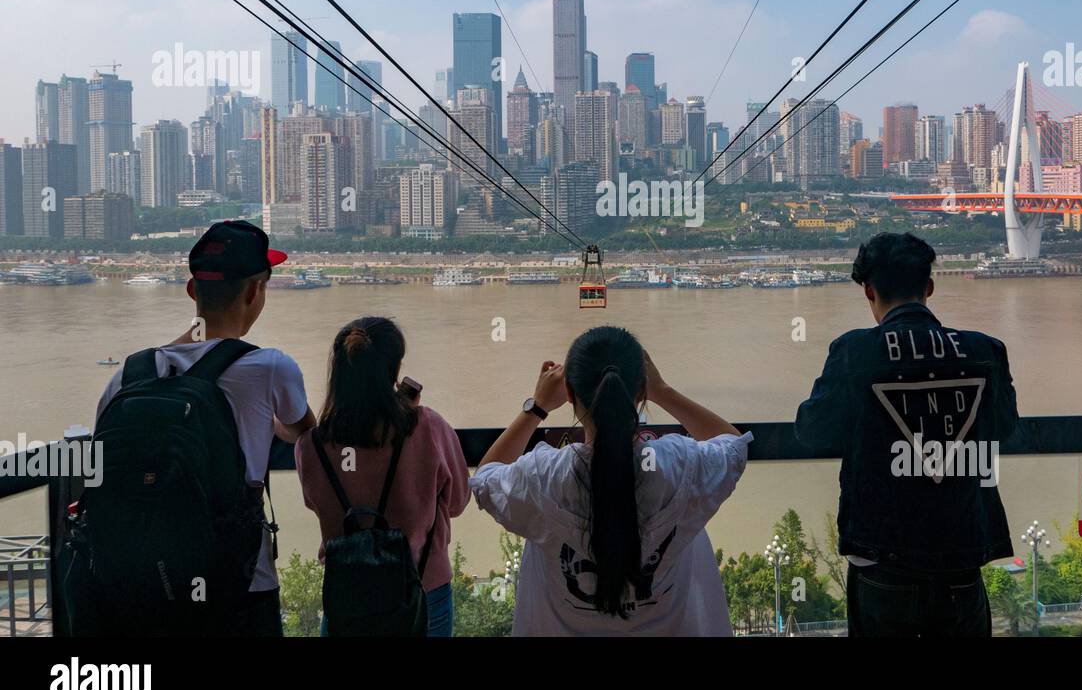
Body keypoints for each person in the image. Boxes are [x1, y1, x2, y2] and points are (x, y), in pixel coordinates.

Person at [93, 220, 316, 635]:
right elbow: (305, 432)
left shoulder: (128, 375)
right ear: (255, 292)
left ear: (193, 291)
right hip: (240, 588)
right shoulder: (270, 368)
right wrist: (264, 427)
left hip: (139, 589)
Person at [795, 232, 1019, 637]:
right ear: (929, 287)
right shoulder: (985, 350)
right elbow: (1003, 428)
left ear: (868, 290)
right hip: (962, 554)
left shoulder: (854, 351)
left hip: (883, 556)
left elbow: (813, 432)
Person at [469, 326, 751, 635]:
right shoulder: (678, 466)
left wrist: (536, 408)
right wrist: (662, 391)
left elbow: (484, 479)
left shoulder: (544, 476)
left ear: (570, 394)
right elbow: (733, 446)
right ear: (640, 391)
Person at [296, 316, 469, 636]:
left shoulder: (312, 445)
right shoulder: (428, 427)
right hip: (422, 590)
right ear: (395, 369)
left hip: (349, 597)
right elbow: (458, 502)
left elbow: (314, 502)